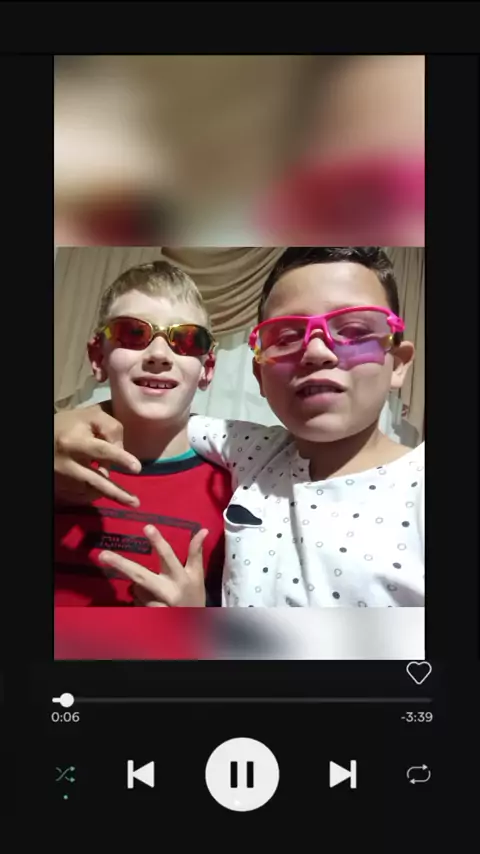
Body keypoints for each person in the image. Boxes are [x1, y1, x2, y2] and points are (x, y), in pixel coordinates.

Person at [55, 248, 424, 609]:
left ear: (398, 364)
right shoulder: (253, 454)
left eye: (355, 331)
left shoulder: (417, 487)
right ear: (259, 374)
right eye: (287, 336)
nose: (317, 351)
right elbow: (156, 416)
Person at [55, 260, 232, 610]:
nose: (159, 355)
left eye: (187, 339)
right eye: (133, 333)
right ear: (98, 357)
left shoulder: (235, 493)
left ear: (207, 368)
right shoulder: (57, 459)